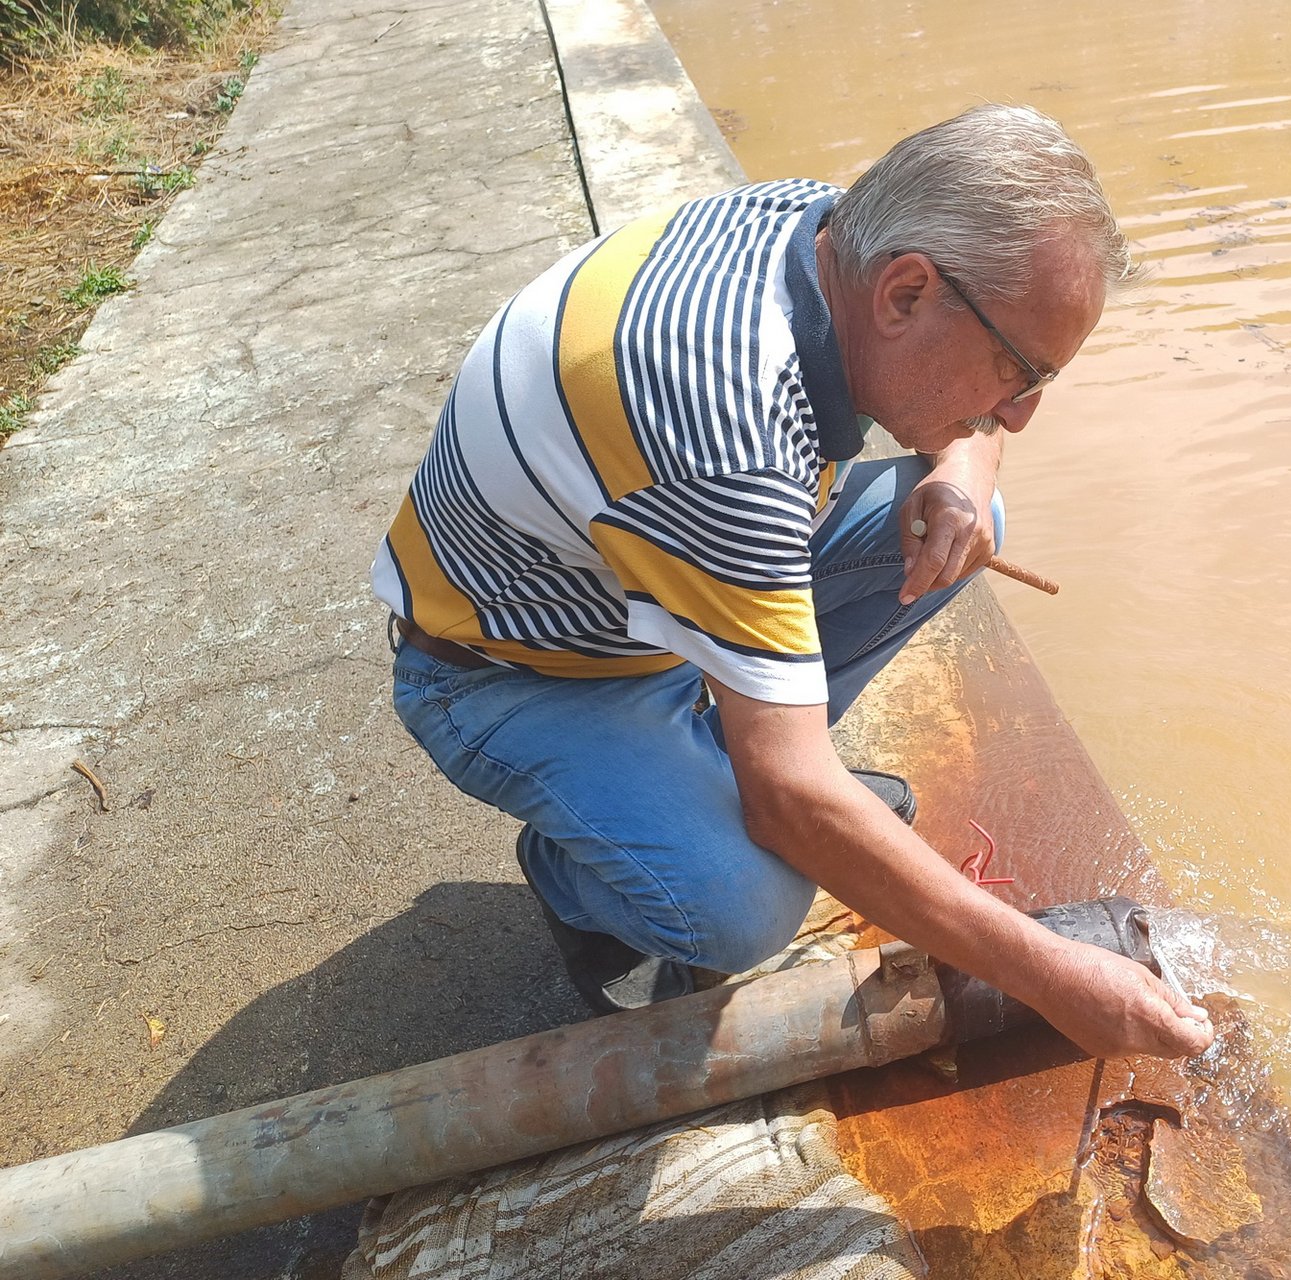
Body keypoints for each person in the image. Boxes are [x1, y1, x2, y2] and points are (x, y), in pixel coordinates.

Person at [372, 104, 1212, 1061]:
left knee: (969, 524)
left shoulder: (826, 231)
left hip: (640, 589)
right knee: (744, 907)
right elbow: (789, 799)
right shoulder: (726, 437)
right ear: (905, 294)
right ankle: (575, 865)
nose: (1014, 418)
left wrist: (963, 476)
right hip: (514, 672)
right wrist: (1059, 978)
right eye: (1017, 372)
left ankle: (713, 753)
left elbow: (966, 437)